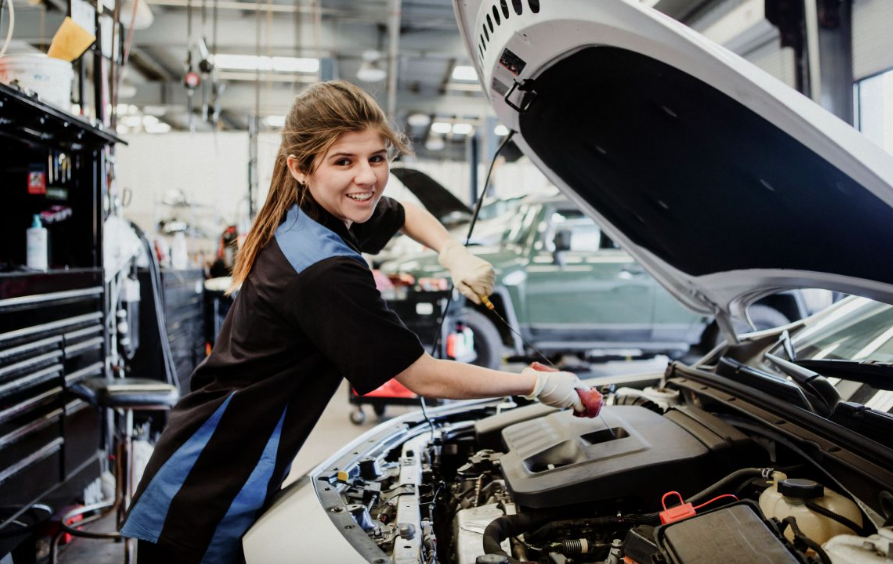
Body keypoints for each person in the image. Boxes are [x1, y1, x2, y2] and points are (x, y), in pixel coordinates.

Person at [120, 81, 597, 564]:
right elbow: (421, 374)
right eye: (343, 161)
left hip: (221, 465)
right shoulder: (324, 271)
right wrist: (532, 386)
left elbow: (405, 211)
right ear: (300, 169)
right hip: (206, 489)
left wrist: (451, 250)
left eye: (377, 157)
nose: (366, 176)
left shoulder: (318, 214)